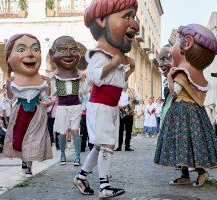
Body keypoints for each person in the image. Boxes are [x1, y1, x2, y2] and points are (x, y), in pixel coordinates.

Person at [72, 0, 139, 198]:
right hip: (100, 105)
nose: (133, 24)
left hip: (110, 106)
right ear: (101, 21)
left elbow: (118, 83)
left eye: (133, 17)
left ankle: (82, 177)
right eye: (127, 17)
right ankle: (104, 186)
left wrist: (129, 69)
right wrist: (116, 62)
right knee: (107, 146)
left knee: (101, 145)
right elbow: (94, 76)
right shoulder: (99, 54)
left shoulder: (112, 55)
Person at [154, 24, 217, 187]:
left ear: (188, 43)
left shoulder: (182, 71)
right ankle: (185, 174)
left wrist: (170, 76)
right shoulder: (197, 72)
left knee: (184, 142)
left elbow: (174, 92)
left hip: (182, 111)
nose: (171, 49)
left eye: (175, 44)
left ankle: (200, 172)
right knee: (193, 142)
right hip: (196, 111)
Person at [3, 33, 52, 178]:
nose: (30, 54)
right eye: (21, 50)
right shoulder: (13, 80)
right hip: (20, 113)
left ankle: (28, 166)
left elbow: (45, 97)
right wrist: (7, 86)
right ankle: (24, 162)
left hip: (36, 113)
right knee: (20, 138)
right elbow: (10, 99)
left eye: (35, 49)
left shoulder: (41, 80)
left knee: (33, 139)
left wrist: (48, 84)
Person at [49, 36, 88, 166]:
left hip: (76, 105)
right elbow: (51, 93)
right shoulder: (55, 77)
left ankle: (77, 157)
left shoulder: (79, 76)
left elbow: (85, 91)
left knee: (76, 130)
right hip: (62, 106)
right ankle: (62, 155)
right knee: (62, 132)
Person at [115, 86, 135, 151]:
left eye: (126, 84)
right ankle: (119, 146)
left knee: (128, 130)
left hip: (129, 112)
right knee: (120, 130)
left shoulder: (131, 92)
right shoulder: (117, 92)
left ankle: (127, 146)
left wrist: (132, 95)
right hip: (120, 111)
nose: (124, 86)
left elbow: (136, 101)